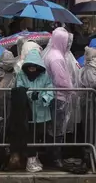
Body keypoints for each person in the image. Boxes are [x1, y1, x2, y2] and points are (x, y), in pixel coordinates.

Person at [15, 45, 54, 173]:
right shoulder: (21, 75)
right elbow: (19, 89)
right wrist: (31, 94)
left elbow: (50, 90)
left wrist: (43, 97)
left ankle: (35, 157)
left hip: (42, 113)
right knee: (29, 136)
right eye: (29, 65)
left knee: (38, 136)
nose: (32, 68)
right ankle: (30, 160)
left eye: (34, 65)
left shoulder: (44, 76)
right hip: (28, 113)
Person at [41, 27, 74, 168]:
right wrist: (72, 90)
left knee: (52, 129)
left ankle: (52, 157)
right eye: (67, 41)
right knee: (57, 129)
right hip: (58, 97)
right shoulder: (56, 57)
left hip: (53, 96)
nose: (68, 44)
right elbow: (62, 81)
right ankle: (55, 158)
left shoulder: (51, 53)